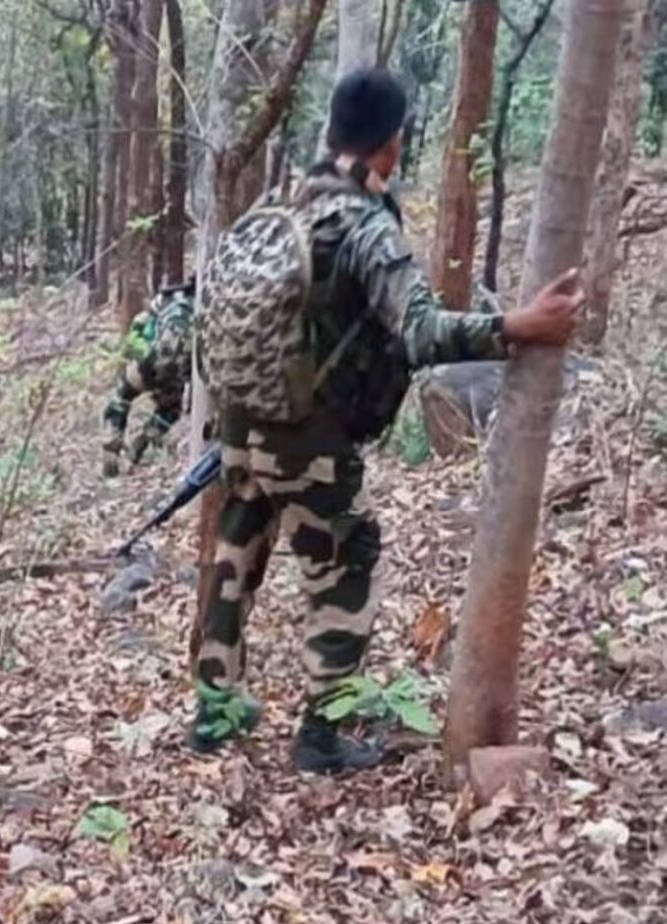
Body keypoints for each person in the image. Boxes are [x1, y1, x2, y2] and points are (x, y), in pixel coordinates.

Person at [189, 69, 583, 773]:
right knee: (348, 559)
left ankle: (213, 711)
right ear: (391, 146)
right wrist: (518, 325)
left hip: (240, 426)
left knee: (235, 558)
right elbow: (422, 333)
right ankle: (322, 733)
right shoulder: (364, 226)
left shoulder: (281, 204)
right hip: (308, 438)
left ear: (332, 131)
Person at [104, 279, 195, 477]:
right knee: (169, 410)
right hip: (179, 373)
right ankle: (140, 446)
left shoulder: (166, 299)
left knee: (122, 394)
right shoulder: (202, 304)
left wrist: (135, 355)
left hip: (151, 363)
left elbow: (141, 325)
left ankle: (112, 443)